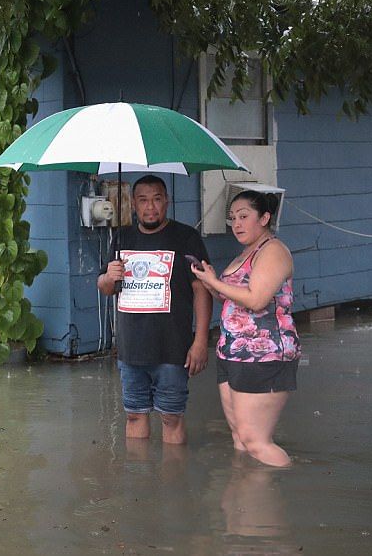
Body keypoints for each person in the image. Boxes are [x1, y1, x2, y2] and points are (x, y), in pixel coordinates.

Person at [97, 175, 212, 444]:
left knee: (172, 417)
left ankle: (173, 482)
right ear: (133, 205)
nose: (151, 207)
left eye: (157, 199)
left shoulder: (186, 237)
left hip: (173, 348)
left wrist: (201, 340)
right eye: (143, 200)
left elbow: (202, 289)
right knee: (134, 416)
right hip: (131, 349)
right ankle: (140, 478)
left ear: (167, 202)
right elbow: (104, 287)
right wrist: (108, 277)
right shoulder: (122, 237)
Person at [190, 190, 299, 467]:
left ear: (264, 218)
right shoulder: (245, 253)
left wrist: (215, 284)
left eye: (243, 216)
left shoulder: (273, 251)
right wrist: (210, 282)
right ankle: (247, 495)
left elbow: (257, 299)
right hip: (233, 352)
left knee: (256, 441)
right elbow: (232, 298)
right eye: (232, 218)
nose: (236, 224)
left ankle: (284, 494)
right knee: (240, 437)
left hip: (265, 355)